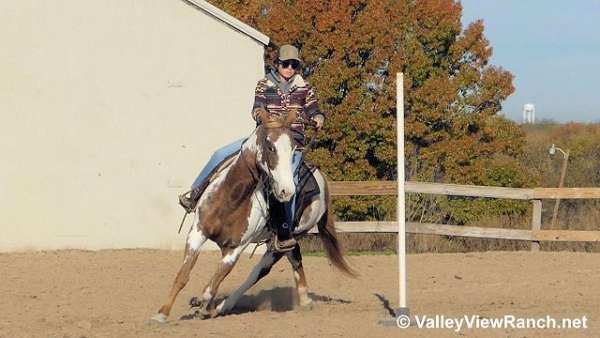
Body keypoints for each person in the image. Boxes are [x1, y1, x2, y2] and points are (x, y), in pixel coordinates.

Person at [179, 44, 324, 252]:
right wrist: (261, 116)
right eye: (285, 64)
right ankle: (194, 194)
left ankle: (284, 231)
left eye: (294, 65)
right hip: (263, 138)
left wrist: (318, 117)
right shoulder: (264, 84)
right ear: (277, 64)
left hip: (291, 142)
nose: (289, 68)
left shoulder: (304, 87)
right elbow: (256, 107)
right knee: (220, 153)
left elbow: (313, 109)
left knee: (289, 179)